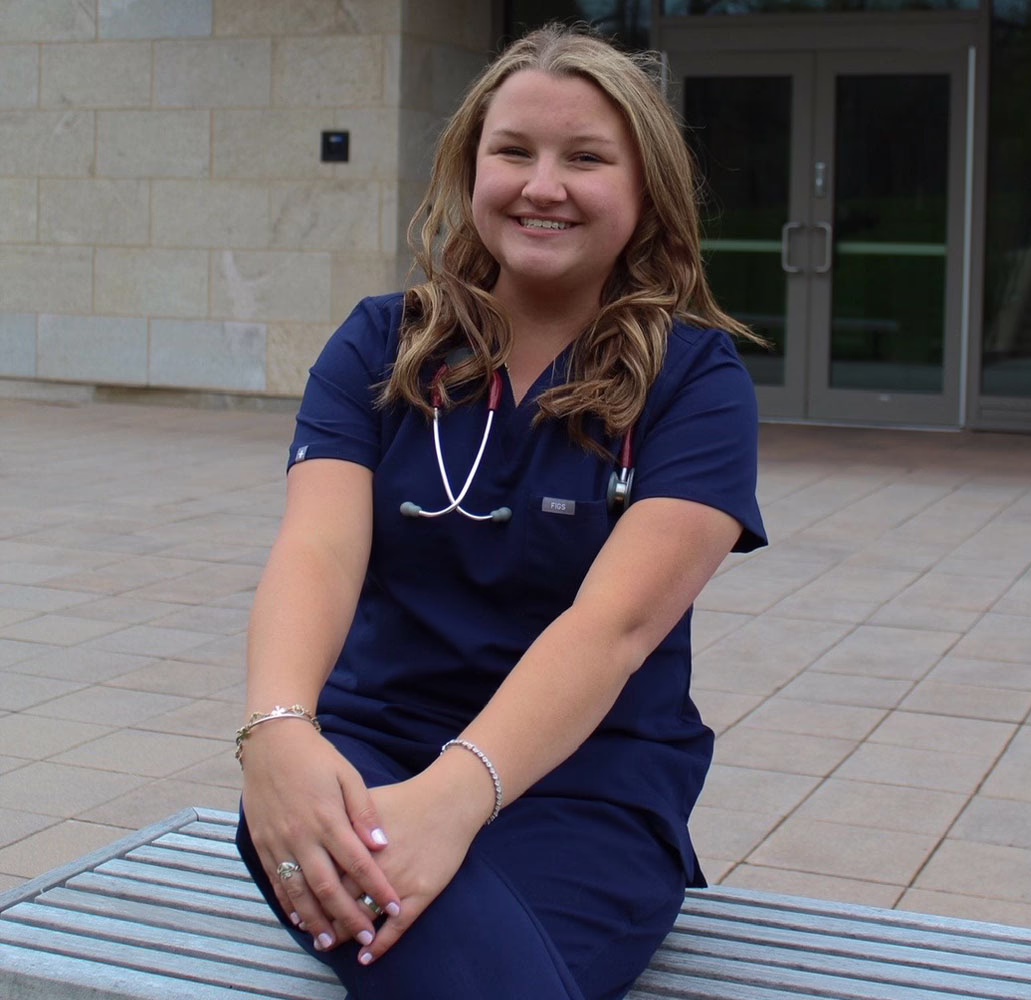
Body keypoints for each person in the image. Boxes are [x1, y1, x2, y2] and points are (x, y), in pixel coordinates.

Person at [234, 22, 766, 1000]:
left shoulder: (697, 382)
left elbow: (615, 628)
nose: (543, 184)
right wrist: (279, 735)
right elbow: (315, 549)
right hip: (367, 754)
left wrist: (456, 794)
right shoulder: (379, 346)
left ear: (644, 191)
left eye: (586, 158)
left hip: (589, 782)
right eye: (513, 151)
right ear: (468, 168)